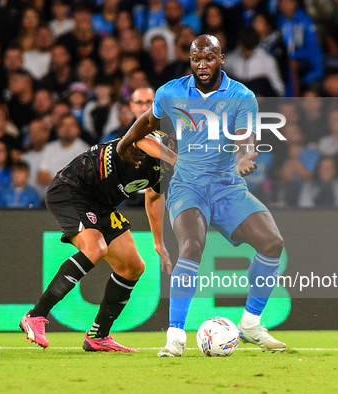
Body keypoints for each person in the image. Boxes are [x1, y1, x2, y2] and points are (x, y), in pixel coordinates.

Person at [117, 34, 287, 357]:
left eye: (209, 58)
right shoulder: (171, 92)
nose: (202, 65)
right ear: (190, 61)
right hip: (187, 186)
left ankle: (251, 323)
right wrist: (126, 144)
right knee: (192, 245)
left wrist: (244, 157)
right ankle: (175, 335)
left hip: (227, 187)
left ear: (221, 59)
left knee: (272, 243)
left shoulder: (241, 96)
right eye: (196, 59)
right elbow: (148, 121)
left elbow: (247, 136)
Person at [19, 131, 175, 351]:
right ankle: (36, 315)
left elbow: (154, 196)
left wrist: (159, 241)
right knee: (95, 248)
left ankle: (98, 336)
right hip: (72, 188)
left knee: (132, 267)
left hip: (101, 204)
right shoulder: (157, 138)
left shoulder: (169, 169)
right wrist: (178, 159)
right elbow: (139, 139)